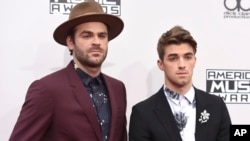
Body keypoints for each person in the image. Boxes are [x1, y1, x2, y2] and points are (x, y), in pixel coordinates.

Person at [9, 1, 127, 141]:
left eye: (102, 36)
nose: (97, 42)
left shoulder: (117, 88)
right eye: (87, 36)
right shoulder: (47, 89)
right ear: (70, 42)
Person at [129, 25, 231, 141]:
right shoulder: (143, 113)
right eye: (173, 58)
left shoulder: (216, 106)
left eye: (188, 57)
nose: (182, 65)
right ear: (161, 64)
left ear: (194, 61)